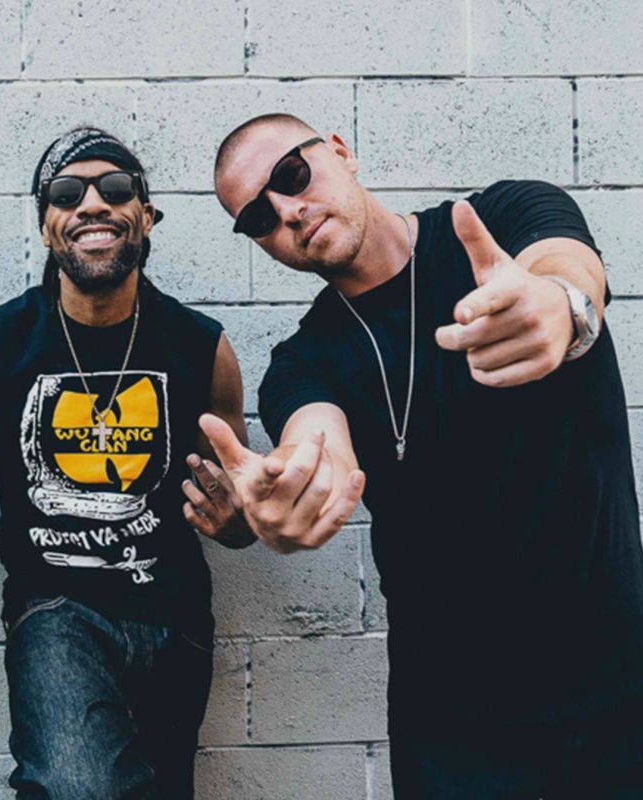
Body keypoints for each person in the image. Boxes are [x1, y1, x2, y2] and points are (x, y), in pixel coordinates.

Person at [207, 112, 643, 797]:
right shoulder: (302, 364)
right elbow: (314, 437)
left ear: (341, 151)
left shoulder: (503, 219)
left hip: (612, 680)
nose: (288, 211)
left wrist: (559, 308)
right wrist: (299, 487)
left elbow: (565, 265)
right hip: (450, 724)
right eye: (258, 217)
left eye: (292, 175)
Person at [0, 127, 253, 799]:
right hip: (55, 610)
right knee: (76, 786)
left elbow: (240, 515)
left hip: (175, 614)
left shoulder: (202, 347)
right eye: (67, 193)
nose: (92, 204)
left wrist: (238, 520)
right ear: (46, 226)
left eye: (116, 188)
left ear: (146, 215)